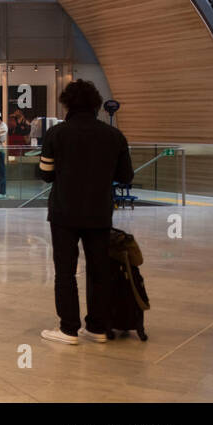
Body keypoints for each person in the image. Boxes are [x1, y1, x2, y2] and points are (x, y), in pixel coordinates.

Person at [38, 79, 134, 346]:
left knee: (65, 271)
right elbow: (126, 176)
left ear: (66, 104)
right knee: (99, 270)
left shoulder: (57, 134)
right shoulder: (114, 136)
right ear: (96, 105)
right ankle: (98, 327)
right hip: (99, 213)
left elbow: (45, 175)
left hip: (64, 213)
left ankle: (68, 328)